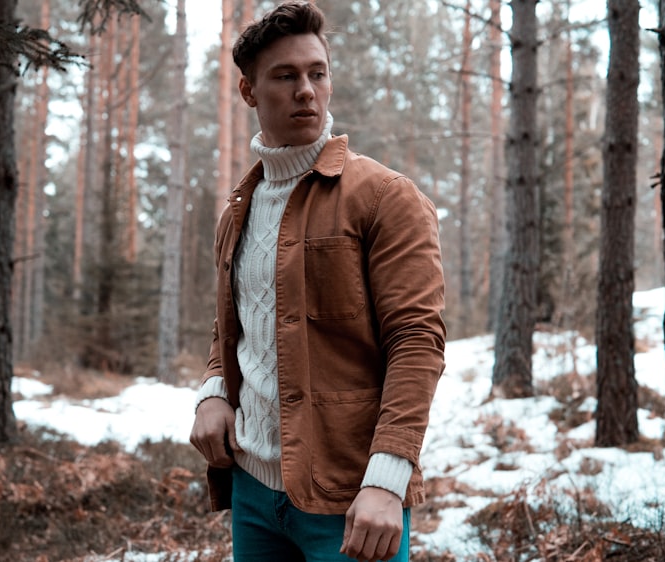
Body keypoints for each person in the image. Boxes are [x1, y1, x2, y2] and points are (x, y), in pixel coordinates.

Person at [189, 2, 446, 561]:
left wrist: (386, 478)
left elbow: (418, 343)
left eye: (317, 73)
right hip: (254, 493)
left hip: (351, 497)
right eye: (285, 76)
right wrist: (213, 391)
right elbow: (235, 320)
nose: (306, 89)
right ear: (249, 92)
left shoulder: (384, 196)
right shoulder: (240, 207)